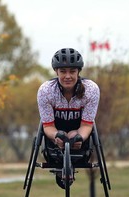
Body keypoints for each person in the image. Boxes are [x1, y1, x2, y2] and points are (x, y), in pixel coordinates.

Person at [37, 48, 100, 188]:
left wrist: (79, 137)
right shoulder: (46, 91)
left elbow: (87, 125)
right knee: (64, 135)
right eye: (63, 71)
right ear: (56, 72)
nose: (68, 76)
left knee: (72, 134)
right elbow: (47, 126)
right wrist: (56, 136)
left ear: (78, 72)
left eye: (72, 71)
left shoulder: (91, 90)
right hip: (54, 137)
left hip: (80, 135)